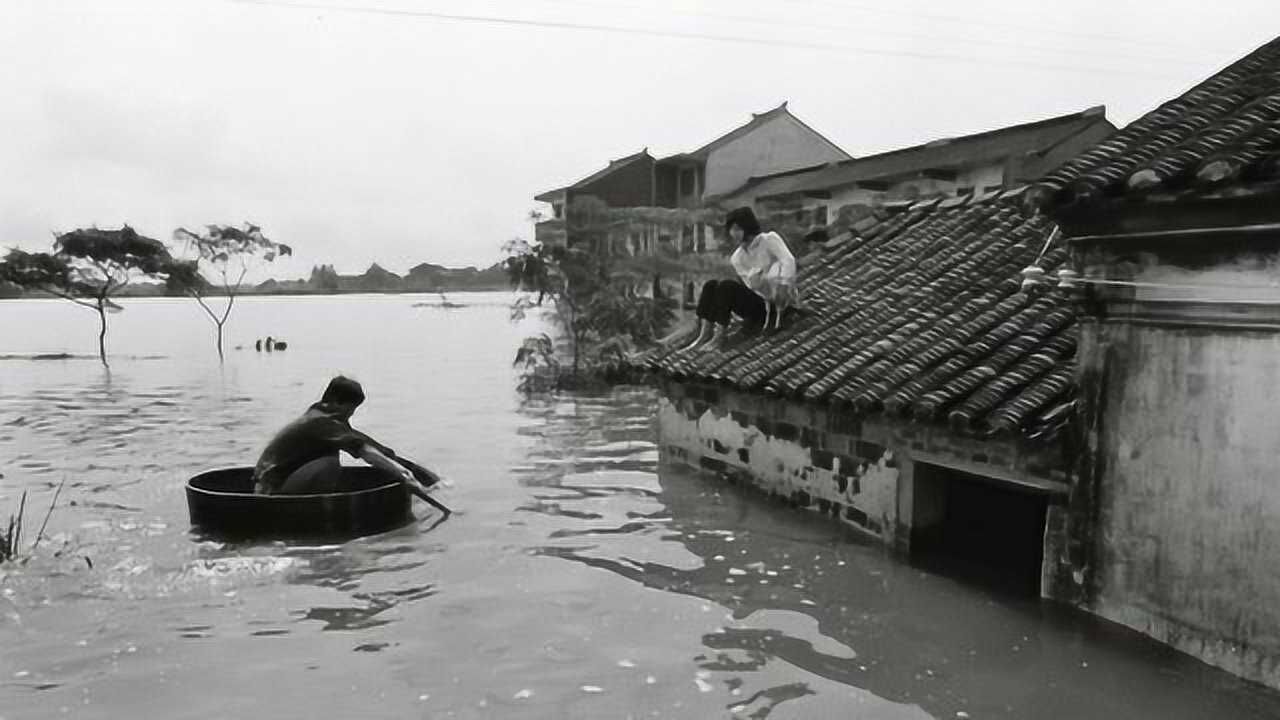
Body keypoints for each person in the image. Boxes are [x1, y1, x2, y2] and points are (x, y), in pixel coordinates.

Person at [251, 376, 440, 500]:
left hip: (274, 484)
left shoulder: (326, 417)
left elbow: (368, 445)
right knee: (329, 463)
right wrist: (405, 475)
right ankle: (317, 508)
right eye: (350, 410)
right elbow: (366, 453)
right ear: (334, 402)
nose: (350, 416)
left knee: (331, 459)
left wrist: (418, 473)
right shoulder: (321, 423)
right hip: (270, 492)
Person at [672, 207, 796, 351]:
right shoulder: (737, 257)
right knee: (711, 285)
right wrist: (758, 283)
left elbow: (788, 260)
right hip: (759, 302)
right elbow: (750, 286)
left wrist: (783, 285)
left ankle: (720, 336)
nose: (733, 233)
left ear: (747, 227)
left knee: (727, 286)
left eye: (737, 229)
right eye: (731, 229)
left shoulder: (769, 240)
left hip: (778, 303)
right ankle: (705, 334)